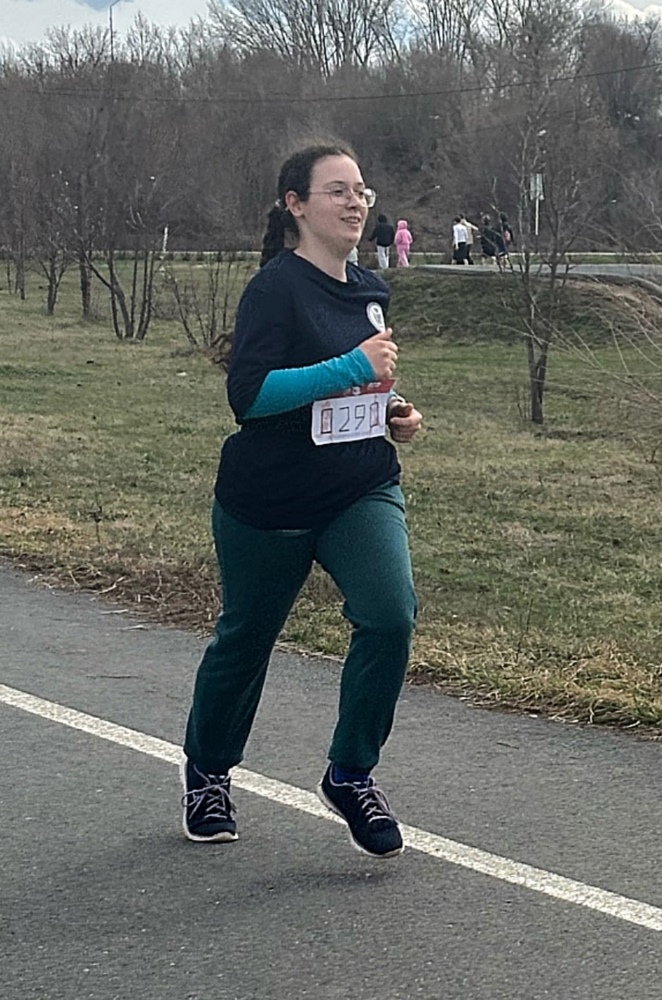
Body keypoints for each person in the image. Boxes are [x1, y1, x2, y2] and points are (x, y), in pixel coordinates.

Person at [180, 142, 423, 860]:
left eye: (361, 191)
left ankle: (351, 774)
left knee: (390, 615)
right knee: (246, 641)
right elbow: (251, 397)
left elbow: (363, 386)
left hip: (359, 486)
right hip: (272, 499)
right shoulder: (274, 290)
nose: (354, 203)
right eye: (336, 190)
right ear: (296, 205)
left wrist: (395, 411)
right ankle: (208, 773)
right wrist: (352, 364)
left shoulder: (371, 289)